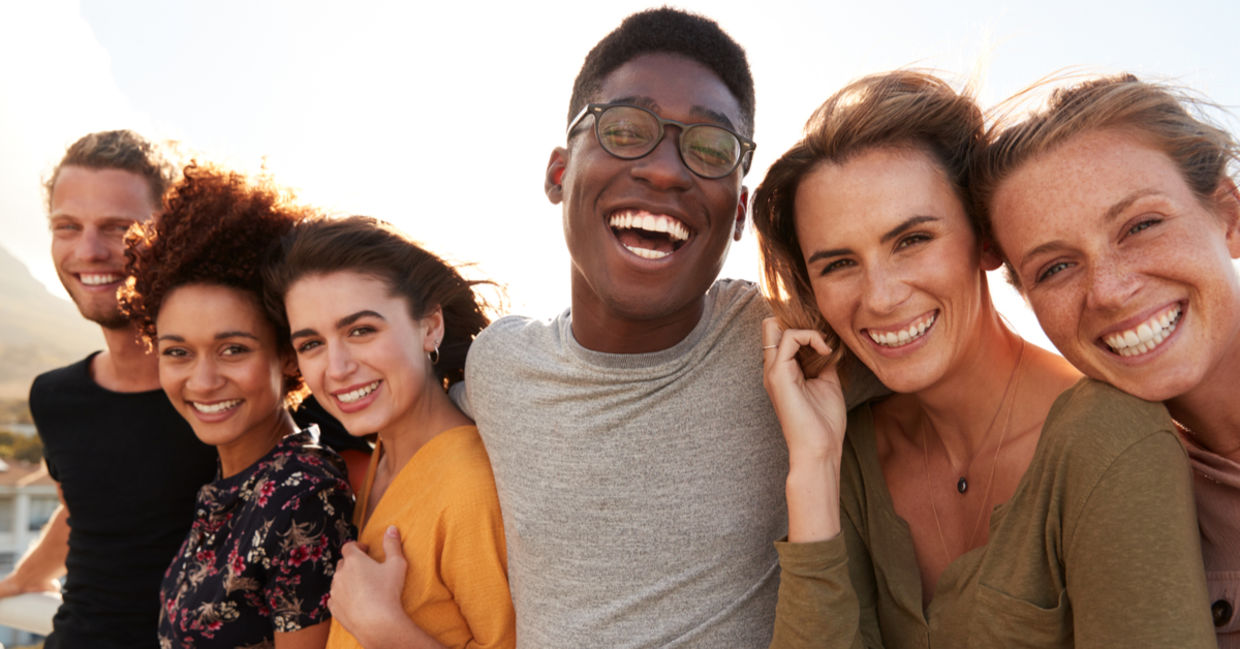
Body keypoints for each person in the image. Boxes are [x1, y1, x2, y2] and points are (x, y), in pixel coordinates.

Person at [452, 8, 879, 647]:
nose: (666, 170)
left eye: (711, 149)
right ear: (559, 173)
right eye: (625, 130)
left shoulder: (791, 349)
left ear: (740, 211)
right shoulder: (499, 367)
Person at [751, 70, 1216, 647]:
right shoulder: (852, 451)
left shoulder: (1110, 437)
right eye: (838, 264)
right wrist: (814, 467)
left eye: (912, 240)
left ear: (987, 241)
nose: (881, 297)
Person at [976, 73, 1240, 647]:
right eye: (1056, 268)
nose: (1110, 292)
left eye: (1141, 226)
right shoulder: (1109, 501)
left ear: (1228, 216)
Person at [119, 163, 354, 648]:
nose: (203, 381)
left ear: (287, 354)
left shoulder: (301, 496)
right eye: (178, 352)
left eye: (233, 349)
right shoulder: (238, 482)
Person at [4, 130, 220, 649]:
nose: (89, 251)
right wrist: (23, 578)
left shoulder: (234, 394)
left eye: (118, 228)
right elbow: (85, 510)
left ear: (172, 234)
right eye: (67, 226)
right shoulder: (55, 397)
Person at [263, 216, 514, 649]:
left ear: (430, 326)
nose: (336, 368)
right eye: (311, 344)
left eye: (361, 330)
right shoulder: (385, 459)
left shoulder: (471, 487)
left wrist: (385, 630)